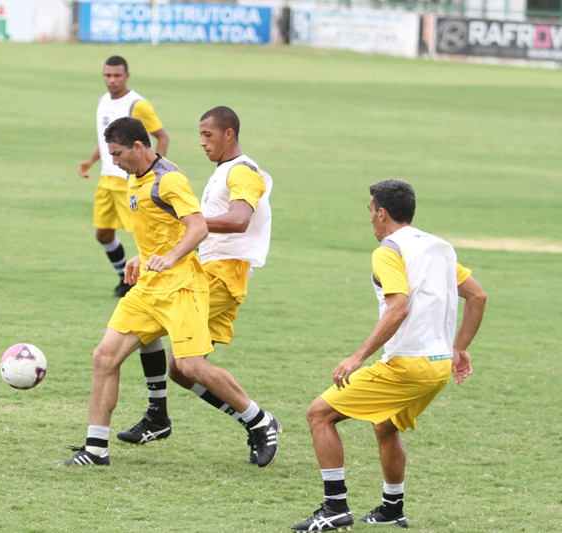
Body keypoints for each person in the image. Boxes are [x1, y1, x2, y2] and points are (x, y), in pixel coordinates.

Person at [60, 117, 279, 467]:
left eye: (117, 154)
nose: (113, 162)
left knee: (189, 366)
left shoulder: (174, 178)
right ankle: (96, 449)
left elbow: (198, 225)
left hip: (186, 285)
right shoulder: (136, 176)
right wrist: (143, 255)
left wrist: (171, 256)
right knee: (105, 357)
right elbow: (162, 226)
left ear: (138, 147)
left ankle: (258, 419)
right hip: (149, 286)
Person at [290, 179, 487, 531]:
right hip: (438, 366)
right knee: (385, 424)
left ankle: (334, 507)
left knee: (319, 414)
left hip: (408, 364)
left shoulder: (388, 251)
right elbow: (477, 296)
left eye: (370, 211)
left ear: (382, 213)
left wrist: (358, 356)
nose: (369, 220)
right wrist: (458, 348)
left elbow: (398, 309)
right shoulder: (439, 247)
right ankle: (392, 508)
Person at [78, 56, 169, 298]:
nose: (112, 80)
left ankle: (148, 284)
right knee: (103, 233)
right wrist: (90, 160)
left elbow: (163, 136)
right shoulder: (102, 101)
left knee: (143, 236)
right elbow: (108, 141)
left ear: (127, 76)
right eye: (108, 75)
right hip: (106, 179)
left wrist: (156, 173)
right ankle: (124, 277)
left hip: (129, 181)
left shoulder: (137, 105)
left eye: (117, 75)